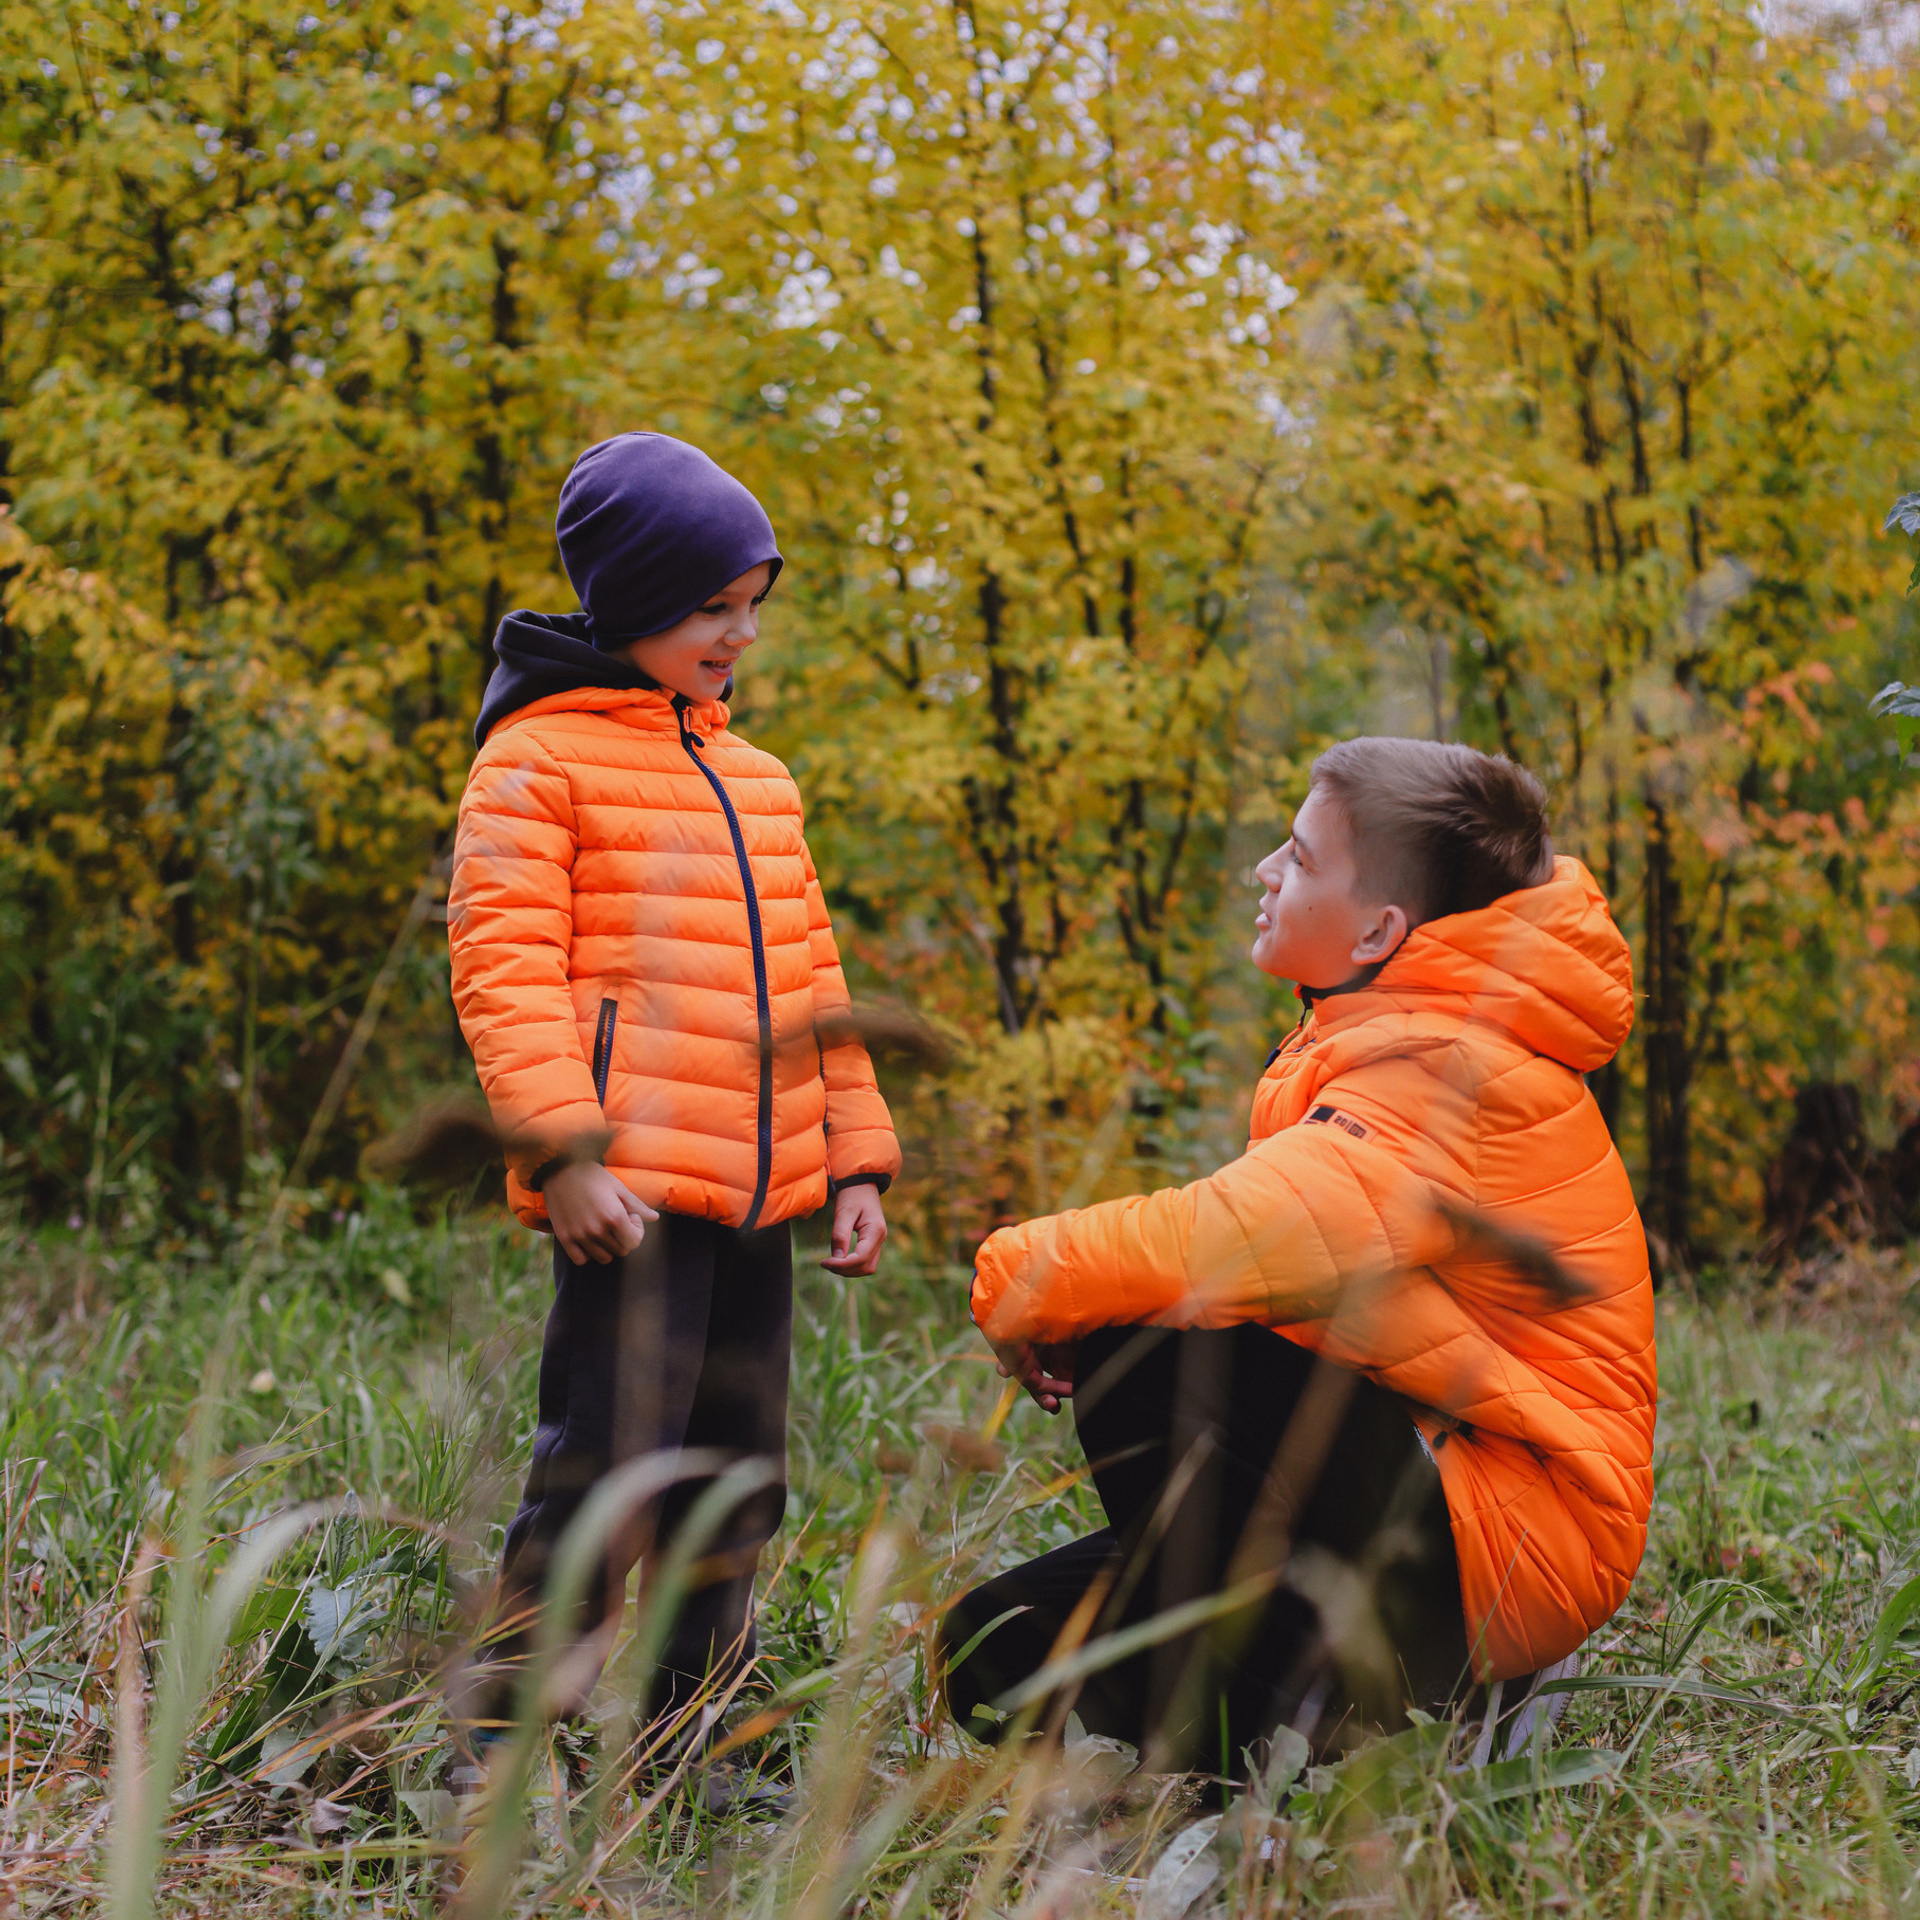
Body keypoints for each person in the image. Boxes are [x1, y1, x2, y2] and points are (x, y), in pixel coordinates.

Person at [940, 738, 1654, 1773]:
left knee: (1139, 1332)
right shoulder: (1392, 1031)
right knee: (996, 1648)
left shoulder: (1452, 1068)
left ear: (1381, 927)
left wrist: (1021, 1281)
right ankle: (1286, 1706)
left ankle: (1339, 1734)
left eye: (1303, 858)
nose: (1264, 870)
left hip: (1494, 1544)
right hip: (1416, 1480)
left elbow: (1241, 1237)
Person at [448, 432, 900, 1767]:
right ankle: (500, 1745)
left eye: (753, 605)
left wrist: (856, 1158)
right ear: (635, 602)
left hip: (761, 1189)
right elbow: (504, 977)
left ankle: (704, 1734)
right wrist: (566, 1153)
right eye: (714, 606)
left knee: (735, 1477)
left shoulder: (757, 781)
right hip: (632, 1198)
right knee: (605, 1471)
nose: (740, 633)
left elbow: (818, 979)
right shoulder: (537, 763)